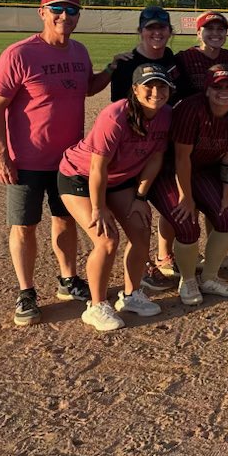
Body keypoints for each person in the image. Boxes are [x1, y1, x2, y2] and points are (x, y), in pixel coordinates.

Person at [0, 0, 114, 326]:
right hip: (25, 161)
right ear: (42, 12)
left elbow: (87, 87)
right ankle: (26, 291)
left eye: (71, 10)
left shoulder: (79, 51)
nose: (64, 16)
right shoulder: (20, 54)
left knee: (65, 220)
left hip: (69, 161)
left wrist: (111, 70)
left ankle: (68, 280)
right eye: (56, 9)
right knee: (24, 226)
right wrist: (1, 155)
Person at [57, 63, 175, 331]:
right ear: (135, 89)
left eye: (162, 86)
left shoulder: (166, 115)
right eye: (149, 86)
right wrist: (98, 208)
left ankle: (131, 296)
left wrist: (140, 198)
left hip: (120, 179)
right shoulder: (116, 115)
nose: (156, 92)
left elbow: (155, 158)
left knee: (141, 230)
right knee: (107, 239)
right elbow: (97, 167)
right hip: (80, 176)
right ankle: (96, 306)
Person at [148, 64, 228, 305]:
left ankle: (209, 277)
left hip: (200, 170)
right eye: (217, 87)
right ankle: (188, 280)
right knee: (186, 222)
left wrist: (226, 194)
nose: (224, 92)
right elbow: (181, 158)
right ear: (207, 90)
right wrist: (186, 196)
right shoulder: (192, 109)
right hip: (168, 172)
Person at [107, 5, 182, 289]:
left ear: (170, 31)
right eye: (150, 28)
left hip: (165, 144)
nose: (157, 33)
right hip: (135, 149)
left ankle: (164, 255)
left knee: (171, 204)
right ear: (140, 31)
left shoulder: (174, 60)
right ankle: (145, 263)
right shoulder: (126, 64)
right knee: (138, 211)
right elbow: (120, 111)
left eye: (162, 28)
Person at [175, 10, 228, 99]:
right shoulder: (184, 58)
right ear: (199, 33)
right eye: (209, 28)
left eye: (220, 29)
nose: (215, 33)